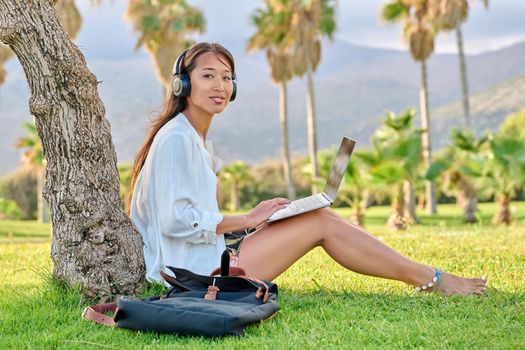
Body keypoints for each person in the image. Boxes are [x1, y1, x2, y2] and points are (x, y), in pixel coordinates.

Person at [130, 42, 487, 296]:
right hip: (191, 274)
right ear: (183, 84)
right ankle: (432, 279)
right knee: (320, 221)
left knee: (321, 214)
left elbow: (191, 219)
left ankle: (427, 276)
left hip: (208, 256)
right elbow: (175, 221)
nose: (220, 86)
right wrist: (247, 219)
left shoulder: (193, 137)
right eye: (208, 76)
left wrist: (251, 228)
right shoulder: (176, 138)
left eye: (226, 77)